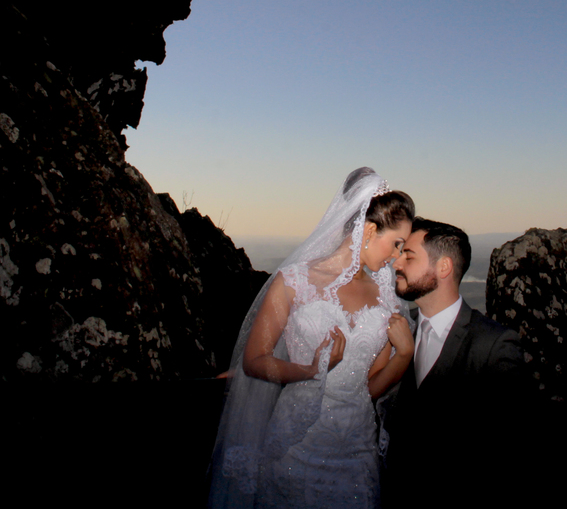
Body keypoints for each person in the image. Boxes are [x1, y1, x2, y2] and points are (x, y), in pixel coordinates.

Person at [208, 167, 417, 509]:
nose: (396, 257)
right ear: (368, 229)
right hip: (297, 446)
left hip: (356, 456)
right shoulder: (293, 282)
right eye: (395, 244)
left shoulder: (386, 300)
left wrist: (403, 355)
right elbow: (255, 360)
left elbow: (368, 388)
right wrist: (309, 371)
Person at [380, 217, 525, 508]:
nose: (396, 264)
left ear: (443, 267)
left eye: (408, 256)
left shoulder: (494, 344)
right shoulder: (398, 333)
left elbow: (510, 452)